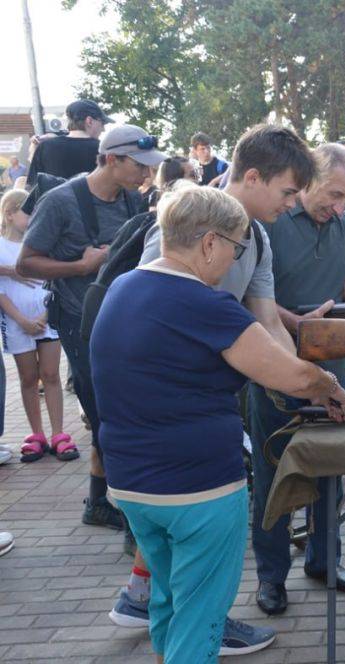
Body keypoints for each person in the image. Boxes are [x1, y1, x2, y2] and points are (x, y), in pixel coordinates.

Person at [91, 185, 345, 664]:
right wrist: (330, 385)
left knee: (169, 602)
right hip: (196, 489)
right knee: (201, 621)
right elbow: (290, 374)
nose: (235, 261)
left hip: (132, 484)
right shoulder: (205, 305)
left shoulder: (125, 286)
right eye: (235, 248)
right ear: (209, 243)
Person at [248, 142, 345, 615]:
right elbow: (250, 298)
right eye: (334, 194)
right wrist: (298, 324)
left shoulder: (343, 225)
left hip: (334, 370)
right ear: (309, 179)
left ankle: (324, 561)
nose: (340, 208)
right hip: (273, 367)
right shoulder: (270, 223)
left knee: (331, 470)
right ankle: (271, 577)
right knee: (273, 472)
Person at [17, 124, 165, 531]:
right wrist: (80, 267)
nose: (146, 174)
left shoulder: (133, 202)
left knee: (119, 413)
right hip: (80, 322)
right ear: (111, 158)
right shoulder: (60, 202)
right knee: (106, 415)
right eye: (139, 165)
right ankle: (128, 507)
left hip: (127, 323)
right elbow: (26, 263)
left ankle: (99, 501)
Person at [0, 189, 70, 463]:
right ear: (9, 214)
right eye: (27, 212)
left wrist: (43, 316)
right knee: (28, 379)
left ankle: (58, 433)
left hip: (47, 319)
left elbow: (55, 281)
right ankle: (36, 434)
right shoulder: (2, 246)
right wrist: (21, 320)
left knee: (51, 375)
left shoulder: (44, 244)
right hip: (17, 323)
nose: (33, 217)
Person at [27, 99, 112, 185]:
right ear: (89, 121)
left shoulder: (45, 147)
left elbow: (32, 186)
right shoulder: (103, 150)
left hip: (52, 198)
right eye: (102, 123)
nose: (103, 129)